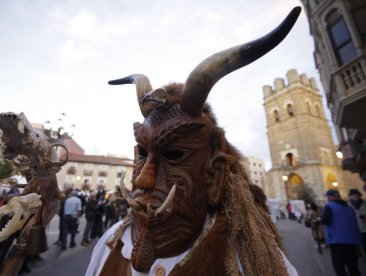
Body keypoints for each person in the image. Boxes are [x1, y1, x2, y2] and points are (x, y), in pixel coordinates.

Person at [86, 6, 301, 275]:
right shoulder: (109, 246)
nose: (143, 180)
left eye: (175, 155)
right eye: (143, 152)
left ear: (214, 174)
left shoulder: (255, 262)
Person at [321, 189, 361, 276]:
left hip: (338, 242)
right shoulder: (349, 208)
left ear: (330, 197)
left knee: (339, 267)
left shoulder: (329, 206)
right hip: (352, 241)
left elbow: (324, 220)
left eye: (328, 197)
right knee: (353, 268)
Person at [348, 188, 366, 256]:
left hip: (364, 227)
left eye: (357, 194)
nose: (356, 196)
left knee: (365, 243)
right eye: (354, 195)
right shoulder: (348, 206)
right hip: (354, 227)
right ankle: (358, 253)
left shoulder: (364, 203)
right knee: (356, 243)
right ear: (350, 196)